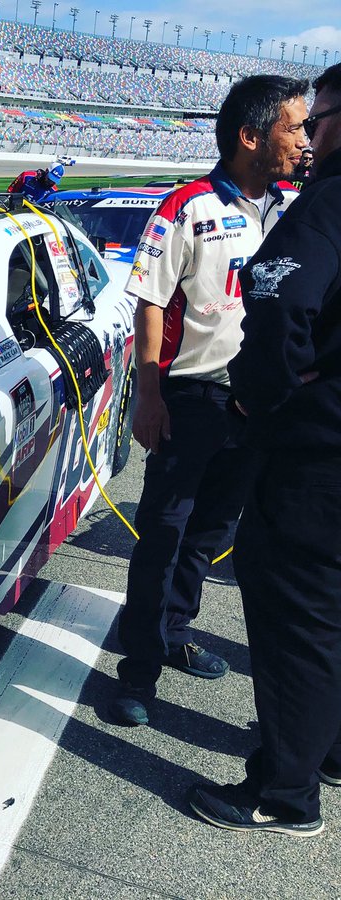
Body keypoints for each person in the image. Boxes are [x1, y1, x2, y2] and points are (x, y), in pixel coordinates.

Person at [109, 75, 310, 727]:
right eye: (294, 127)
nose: (305, 140)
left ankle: (173, 633)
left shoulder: (294, 209)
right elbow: (149, 301)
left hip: (258, 407)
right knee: (163, 535)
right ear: (250, 136)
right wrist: (148, 396)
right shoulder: (187, 205)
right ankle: (138, 670)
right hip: (191, 399)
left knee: (210, 534)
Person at [188, 63, 341, 835]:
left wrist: (258, 397)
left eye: (317, 120)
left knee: (296, 618)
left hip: (318, 456)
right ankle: (330, 750)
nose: (309, 137)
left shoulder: (327, 203)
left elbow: (280, 307)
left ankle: (284, 793)